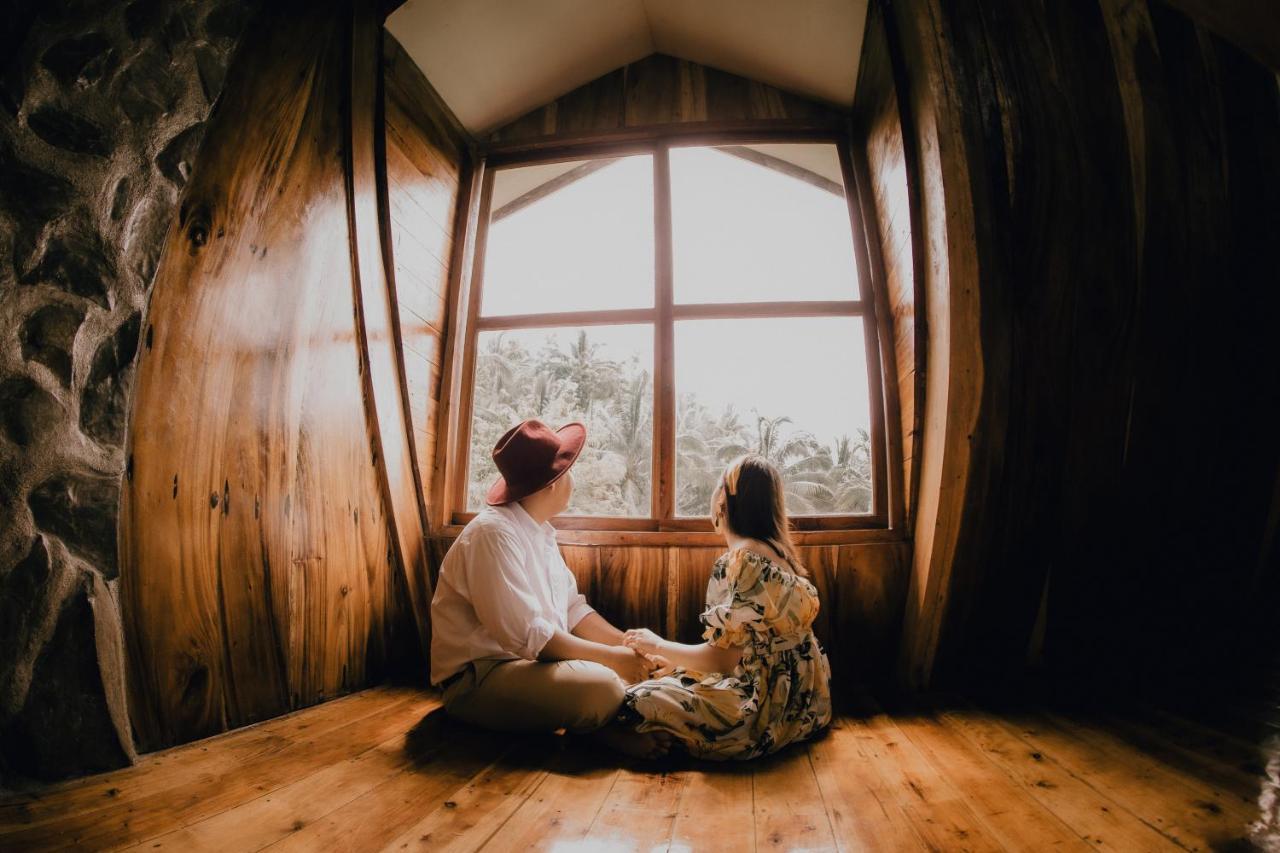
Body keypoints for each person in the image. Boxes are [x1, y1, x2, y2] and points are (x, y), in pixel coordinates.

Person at [430, 418, 673, 757]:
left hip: (531, 666)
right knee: (601, 686)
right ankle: (597, 728)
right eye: (569, 468)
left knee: (623, 672)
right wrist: (614, 661)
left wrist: (628, 646)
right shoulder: (492, 534)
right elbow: (531, 635)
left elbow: (573, 609)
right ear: (553, 482)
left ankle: (593, 723)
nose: (573, 476)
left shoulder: (539, 531)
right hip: (479, 678)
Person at [619, 454, 833, 759]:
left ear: (723, 500)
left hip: (761, 707)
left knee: (631, 697)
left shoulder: (742, 562)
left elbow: (723, 661)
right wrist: (680, 663)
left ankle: (613, 736)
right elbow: (750, 648)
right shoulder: (780, 554)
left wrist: (658, 644)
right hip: (804, 704)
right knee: (672, 676)